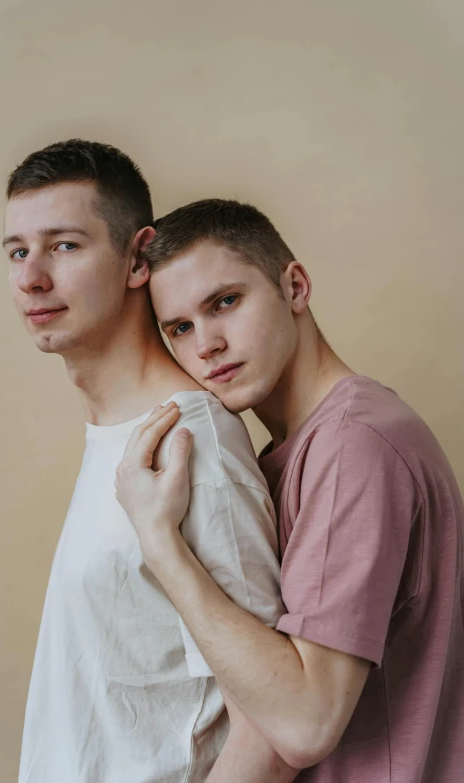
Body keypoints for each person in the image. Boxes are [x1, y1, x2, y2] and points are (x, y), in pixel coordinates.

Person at [116, 198, 464, 783]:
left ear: (294, 286)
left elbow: (306, 724)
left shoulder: (354, 444)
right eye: (180, 327)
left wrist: (161, 545)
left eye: (224, 302)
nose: (206, 345)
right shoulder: (302, 449)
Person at [3, 142, 290, 783]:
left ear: (137, 257)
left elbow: (272, 728)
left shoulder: (194, 440)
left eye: (65, 246)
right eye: (18, 251)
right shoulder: (117, 430)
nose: (31, 278)